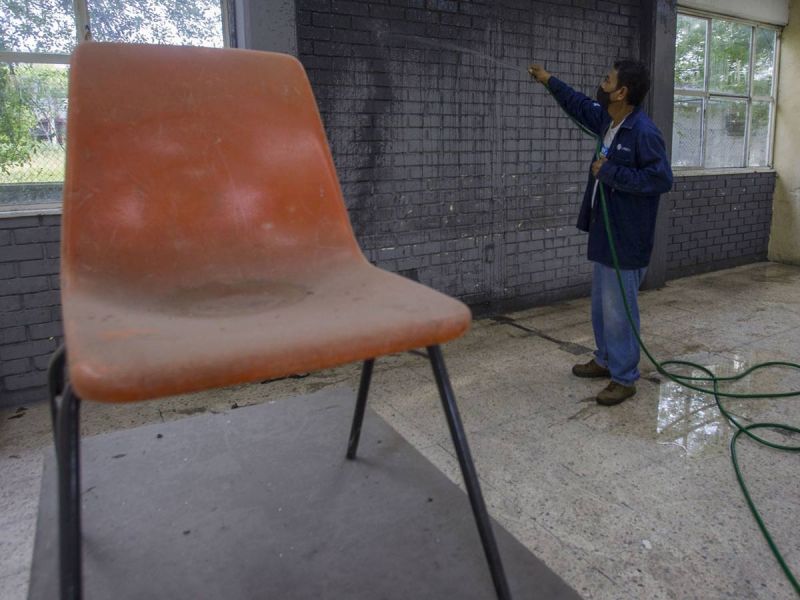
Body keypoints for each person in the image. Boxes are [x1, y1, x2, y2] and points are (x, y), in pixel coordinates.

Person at [528, 60, 673, 406]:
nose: (601, 84)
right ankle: (605, 359)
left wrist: (611, 173)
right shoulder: (609, 121)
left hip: (626, 237)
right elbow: (578, 103)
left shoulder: (643, 132)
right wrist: (548, 79)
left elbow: (661, 179)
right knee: (602, 307)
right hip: (604, 230)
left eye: (608, 81)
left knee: (619, 311)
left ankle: (624, 378)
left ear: (622, 92)